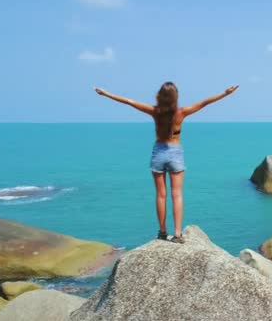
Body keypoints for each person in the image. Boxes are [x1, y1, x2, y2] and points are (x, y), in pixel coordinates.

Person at [94, 82, 239, 243]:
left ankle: (162, 232)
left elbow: (129, 101)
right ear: (175, 97)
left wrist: (106, 94)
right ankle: (177, 234)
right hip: (175, 153)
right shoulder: (181, 112)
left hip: (158, 153)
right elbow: (205, 103)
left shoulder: (155, 112)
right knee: (177, 195)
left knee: (161, 195)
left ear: (160, 96)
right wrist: (225, 93)